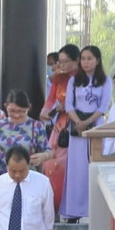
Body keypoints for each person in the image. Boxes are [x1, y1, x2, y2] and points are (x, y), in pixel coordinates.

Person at [63, 45, 111, 220]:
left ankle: (92, 210)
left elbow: (103, 106)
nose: (86, 62)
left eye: (89, 58)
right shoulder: (74, 81)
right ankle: (74, 210)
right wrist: (78, 122)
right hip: (77, 130)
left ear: (97, 60)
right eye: (83, 58)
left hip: (95, 127)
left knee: (92, 165)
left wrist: (87, 122)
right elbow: (69, 105)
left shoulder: (105, 81)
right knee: (76, 168)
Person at [40, 44, 81, 217]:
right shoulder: (58, 78)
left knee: (70, 168)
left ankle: (72, 210)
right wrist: (44, 112)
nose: (61, 65)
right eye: (59, 62)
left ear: (76, 61)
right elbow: (50, 100)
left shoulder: (84, 79)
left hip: (77, 124)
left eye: (65, 62)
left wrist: (64, 107)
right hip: (60, 127)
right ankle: (54, 208)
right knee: (51, 164)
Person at [0, 90, 50, 175]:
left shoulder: (36, 126)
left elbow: (49, 151)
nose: (16, 115)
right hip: (4, 174)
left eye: (21, 111)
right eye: (12, 111)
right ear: (6, 106)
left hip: (28, 173)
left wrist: (43, 156)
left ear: (29, 108)